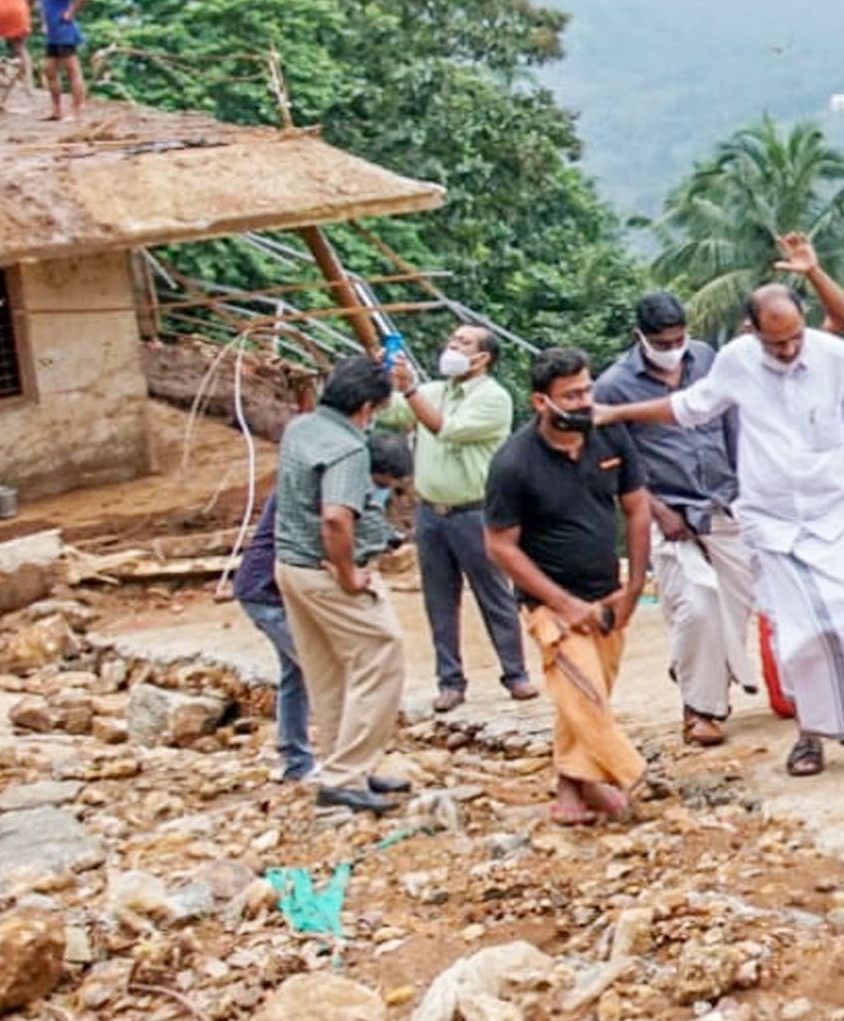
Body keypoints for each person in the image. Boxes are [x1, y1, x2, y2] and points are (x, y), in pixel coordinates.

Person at [597, 246, 844, 776]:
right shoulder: (736, 361)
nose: (789, 349)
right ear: (752, 332)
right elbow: (689, 408)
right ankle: (812, 737)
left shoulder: (835, 357)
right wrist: (614, 410)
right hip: (771, 521)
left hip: (838, 513)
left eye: (796, 336)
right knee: (801, 633)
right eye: (777, 342)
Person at [485, 347, 656, 826]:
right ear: (542, 402)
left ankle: (573, 790)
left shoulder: (609, 434)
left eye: (587, 389)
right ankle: (629, 771)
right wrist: (563, 603)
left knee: (583, 694)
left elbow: (637, 506)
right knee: (584, 692)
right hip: (551, 606)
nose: (584, 401)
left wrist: (635, 584)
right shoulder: (514, 463)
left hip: (609, 592)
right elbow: (500, 545)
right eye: (571, 395)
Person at [595, 290, 757, 747]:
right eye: (662, 342)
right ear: (640, 338)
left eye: (678, 338)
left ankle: (690, 664)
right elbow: (613, 466)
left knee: (735, 604)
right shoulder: (613, 387)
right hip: (665, 512)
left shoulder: (707, 359)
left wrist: (744, 485)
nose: (672, 348)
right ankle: (700, 711)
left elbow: (730, 423)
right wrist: (657, 511)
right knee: (698, 603)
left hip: (723, 502)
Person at [273, 357, 416, 813]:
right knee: (381, 651)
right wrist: (349, 573)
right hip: (324, 570)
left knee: (329, 670)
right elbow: (336, 517)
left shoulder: (302, 427)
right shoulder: (348, 449)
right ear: (369, 406)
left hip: (291, 564)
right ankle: (344, 772)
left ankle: (342, 767)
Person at [385, 321, 533, 714]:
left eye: (463, 343)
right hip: (430, 512)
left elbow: (444, 429)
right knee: (438, 599)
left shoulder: (493, 398)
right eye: (452, 340)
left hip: (475, 511)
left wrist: (411, 389)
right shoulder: (434, 391)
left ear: (482, 357)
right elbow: (395, 411)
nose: (452, 346)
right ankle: (450, 681)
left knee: (494, 594)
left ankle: (515, 673)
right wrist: (388, 377)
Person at [217, 482, 316, 784]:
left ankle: (297, 761)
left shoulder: (301, 481)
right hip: (266, 594)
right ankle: (346, 765)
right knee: (323, 670)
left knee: (296, 673)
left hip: (272, 593)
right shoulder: (302, 489)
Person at [28, 0, 88, 120]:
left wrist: (70, 13)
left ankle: (77, 111)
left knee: (72, 71)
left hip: (64, 31)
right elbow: (43, 4)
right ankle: (56, 110)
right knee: (49, 70)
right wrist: (44, 22)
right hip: (52, 32)